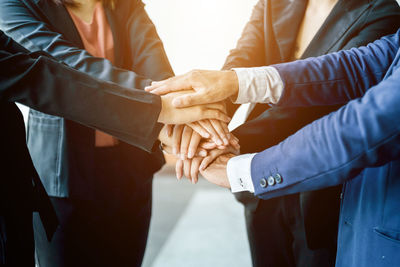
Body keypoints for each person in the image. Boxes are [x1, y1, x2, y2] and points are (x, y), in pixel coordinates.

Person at [149, 0, 400, 265]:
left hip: (318, 183)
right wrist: (210, 114)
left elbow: (320, 107)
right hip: (259, 180)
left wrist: (225, 144)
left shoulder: (382, 12)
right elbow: (243, 60)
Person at [0, 0, 231, 265]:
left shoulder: (124, 4)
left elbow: (155, 66)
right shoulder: (16, 4)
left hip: (131, 164)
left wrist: (179, 112)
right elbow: (62, 66)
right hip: (63, 172)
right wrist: (163, 108)